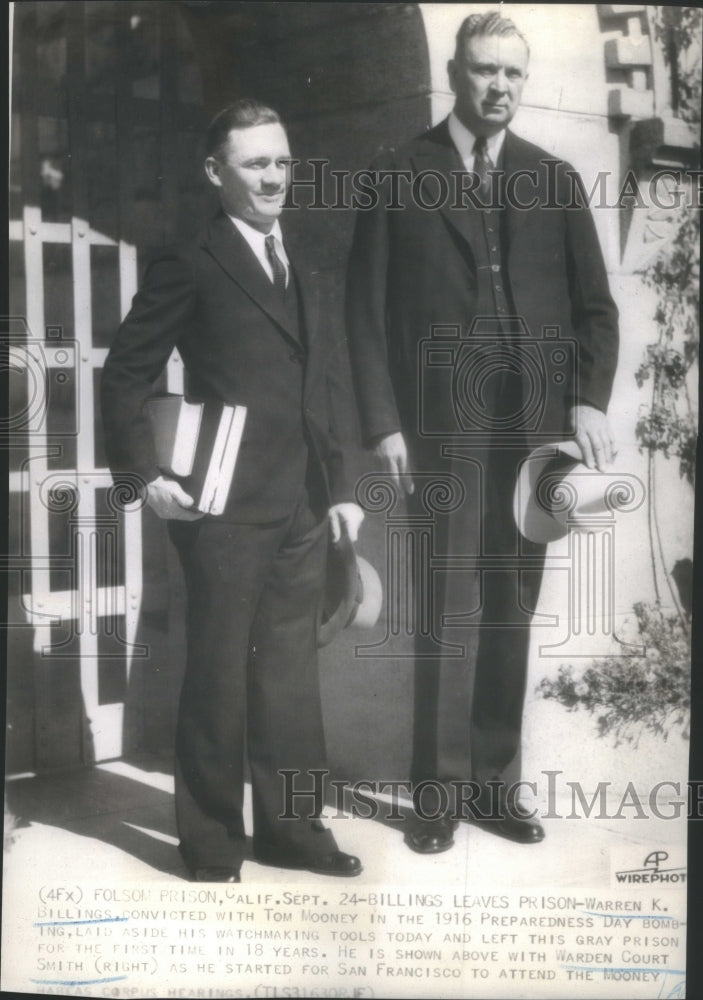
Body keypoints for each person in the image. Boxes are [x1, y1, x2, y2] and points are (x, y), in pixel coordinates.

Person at [345, 12, 619, 854]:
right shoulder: (399, 172)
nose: (497, 87)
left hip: (531, 431)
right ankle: (433, 795)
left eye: (511, 73)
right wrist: (383, 421)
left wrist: (586, 401)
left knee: (510, 604)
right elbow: (360, 313)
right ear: (454, 71)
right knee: (443, 605)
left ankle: (492, 787)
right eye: (481, 71)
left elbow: (593, 310)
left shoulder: (554, 178)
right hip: (440, 430)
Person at [102, 99, 364, 882]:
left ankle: (292, 833)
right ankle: (212, 841)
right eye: (255, 163)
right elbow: (125, 374)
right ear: (215, 172)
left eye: (282, 161)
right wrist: (145, 478)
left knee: (288, 679)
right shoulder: (190, 258)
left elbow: (323, 379)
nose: (274, 177)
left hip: (302, 506)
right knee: (217, 674)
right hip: (218, 507)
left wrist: (341, 484)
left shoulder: (304, 253)